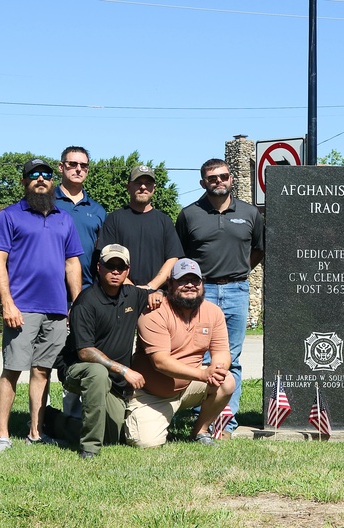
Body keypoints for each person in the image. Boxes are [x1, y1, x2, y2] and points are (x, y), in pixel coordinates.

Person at [0, 158, 82, 450]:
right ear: (24, 181)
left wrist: (75, 306)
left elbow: (72, 264)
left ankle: (35, 432)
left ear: (52, 181)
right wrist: (7, 303)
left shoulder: (63, 218)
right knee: (12, 370)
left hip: (55, 309)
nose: (40, 179)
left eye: (46, 175)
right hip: (22, 308)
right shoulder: (10, 216)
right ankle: (2, 434)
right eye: (34, 175)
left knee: (43, 371)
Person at [175, 158, 265, 438]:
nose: (219, 181)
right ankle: (200, 417)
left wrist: (238, 271)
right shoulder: (190, 214)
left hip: (237, 290)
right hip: (201, 293)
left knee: (232, 358)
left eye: (223, 176)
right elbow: (180, 258)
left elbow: (259, 250)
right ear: (203, 182)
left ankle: (226, 421)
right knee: (199, 355)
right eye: (212, 178)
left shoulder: (250, 213)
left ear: (231, 179)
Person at [47, 245, 157, 458]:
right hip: (77, 369)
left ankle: (53, 421)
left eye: (120, 266)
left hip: (113, 381)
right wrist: (125, 371)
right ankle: (89, 448)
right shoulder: (86, 302)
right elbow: (85, 352)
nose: (115, 271)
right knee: (98, 374)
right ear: (99, 267)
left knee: (112, 435)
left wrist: (157, 294)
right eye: (110, 266)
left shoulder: (132, 295)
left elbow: (155, 295)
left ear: (127, 271)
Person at [126, 258, 235, 448]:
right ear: (170, 284)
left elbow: (221, 352)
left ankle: (200, 432)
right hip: (152, 394)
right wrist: (202, 374)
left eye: (195, 280)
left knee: (226, 381)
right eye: (183, 280)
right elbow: (160, 362)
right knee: (146, 443)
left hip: (188, 387)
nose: (190, 285)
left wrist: (217, 369)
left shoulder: (213, 312)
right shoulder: (154, 312)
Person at [96, 164, 183, 291]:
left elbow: (172, 259)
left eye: (148, 183)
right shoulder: (114, 219)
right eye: (138, 183)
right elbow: (105, 259)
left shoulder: (164, 221)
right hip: (120, 295)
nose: (143, 187)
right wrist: (133, 289)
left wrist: (150, 287)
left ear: (154, 188)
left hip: (157, 296)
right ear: (128, 186)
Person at [54, 146, 106, 289]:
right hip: (50, 289)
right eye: (72, 164)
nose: (78, 169)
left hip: (87, 289)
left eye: (83, 165)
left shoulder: (97, 210)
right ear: (61, 166)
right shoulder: (46, 203)